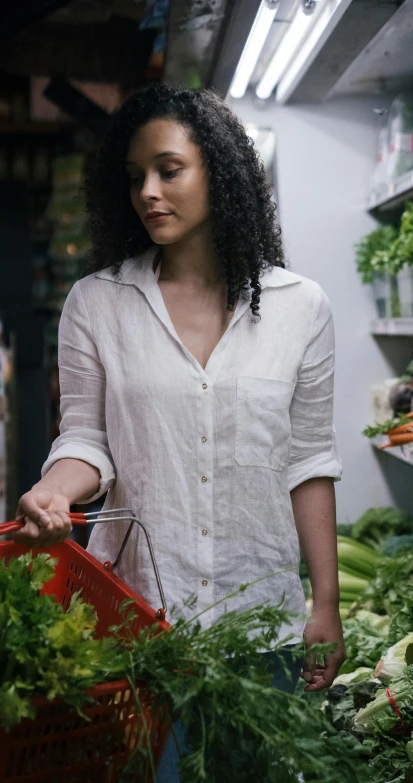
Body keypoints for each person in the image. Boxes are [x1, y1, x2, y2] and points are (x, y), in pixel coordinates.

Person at [14, 84, 346, 777]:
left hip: (264, 624)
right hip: (141, 624)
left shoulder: (299, 307)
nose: (148, 192)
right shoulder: (97, 303)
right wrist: (53, 491)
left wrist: (325, 601)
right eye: (135, 177)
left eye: (169, 169)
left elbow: (309, 460)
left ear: (218, 171)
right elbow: (86, 440)